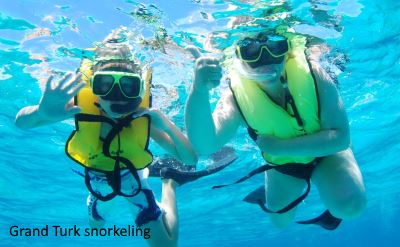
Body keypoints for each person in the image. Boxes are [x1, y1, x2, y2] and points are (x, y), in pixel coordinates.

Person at [14, 38, 235, 247]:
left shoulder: (143, 118)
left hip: (133, 179)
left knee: (168, 245)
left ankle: (170, 182)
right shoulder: (79, 108)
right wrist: (41, 112)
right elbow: (22, 123)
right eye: (105, 84)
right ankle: (97, 203)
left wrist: (167, 124)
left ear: (139, 90)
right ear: (94, 90)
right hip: (98, 180)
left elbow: (189, 159)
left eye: (128, 86)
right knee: (97, 225)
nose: (117, 96)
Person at [185, 31, 367, 230]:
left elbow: (340, 139)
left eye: (275, 47)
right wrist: (199, 90)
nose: (265, 60)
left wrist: (280, 147)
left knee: (350, 206)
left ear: (287, 50)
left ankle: (332, 199)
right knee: (280, 221)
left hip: (327, 154)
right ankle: (270, 190)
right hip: (284, 166)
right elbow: (205, 144)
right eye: (251, 51)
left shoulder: (313, 72)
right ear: (238, 57)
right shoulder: (234, 96)